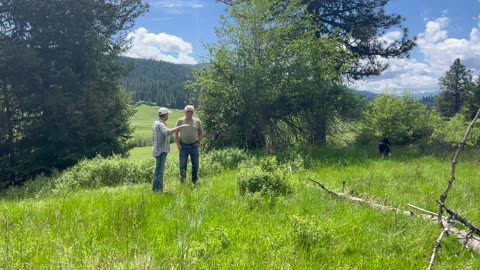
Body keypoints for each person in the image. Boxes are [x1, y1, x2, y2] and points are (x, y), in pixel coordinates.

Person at [152, 107, 189, 192]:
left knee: (158, 171)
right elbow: (167, 132)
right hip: (161, 151)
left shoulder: (156, 123)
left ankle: (156, 189)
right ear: (165, 115)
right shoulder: (161, 124)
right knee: (160, 171)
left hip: (157, 150)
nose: (168, 116)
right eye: (168, 114)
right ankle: (158, 191)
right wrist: (180, 127)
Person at [175, 105, 203, 184]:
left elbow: (201, 132)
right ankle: (183, 181)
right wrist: (178, 144)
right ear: (185, 112)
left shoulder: (197, 121)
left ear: (193, 113)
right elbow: (176, 133)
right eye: (188, 111)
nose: (190, 113)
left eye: (191, 112)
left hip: (194, 146)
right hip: (183, 146)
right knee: (182, 165)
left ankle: (194, 181)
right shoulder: (180, 121)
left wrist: (198, 142)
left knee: (195, 165)